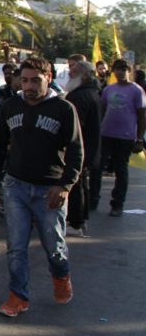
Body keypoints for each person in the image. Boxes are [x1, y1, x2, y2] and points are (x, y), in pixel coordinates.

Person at [0, 56, 83, 317]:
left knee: (54, 247)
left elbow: (76, 152)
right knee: (16, 247)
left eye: (35, 81)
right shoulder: (10, 106)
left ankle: (61, 277)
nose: (28, 86)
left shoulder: (64, 109)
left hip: (49, 189)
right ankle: (18, 297)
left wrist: (65, 186)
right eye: (24, 80)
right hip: (16, 186)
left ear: (48, 78)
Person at [92, 59, 146, 217]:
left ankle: (117, 204)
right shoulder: (109, 89)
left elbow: (142, 116)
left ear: (129, 71)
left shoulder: (137, 90)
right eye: (117, 69)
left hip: (125, 137)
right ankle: (93, 200)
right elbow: (101, 110)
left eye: (124, 69)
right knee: (97, 168)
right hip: (106, 135)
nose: (120, 72)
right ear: (113, 71)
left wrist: (139, 139)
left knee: (121, 170)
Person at [64, 60, 101, 236]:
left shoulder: (80, 97)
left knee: (75, 184)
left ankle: (76, 222)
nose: (70, 73)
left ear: (85, 75)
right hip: (88, 148)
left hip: (80, 148)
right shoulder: (91, 93)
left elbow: (74, 126)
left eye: (74, 70)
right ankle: (80, 219)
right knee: (80, 183)